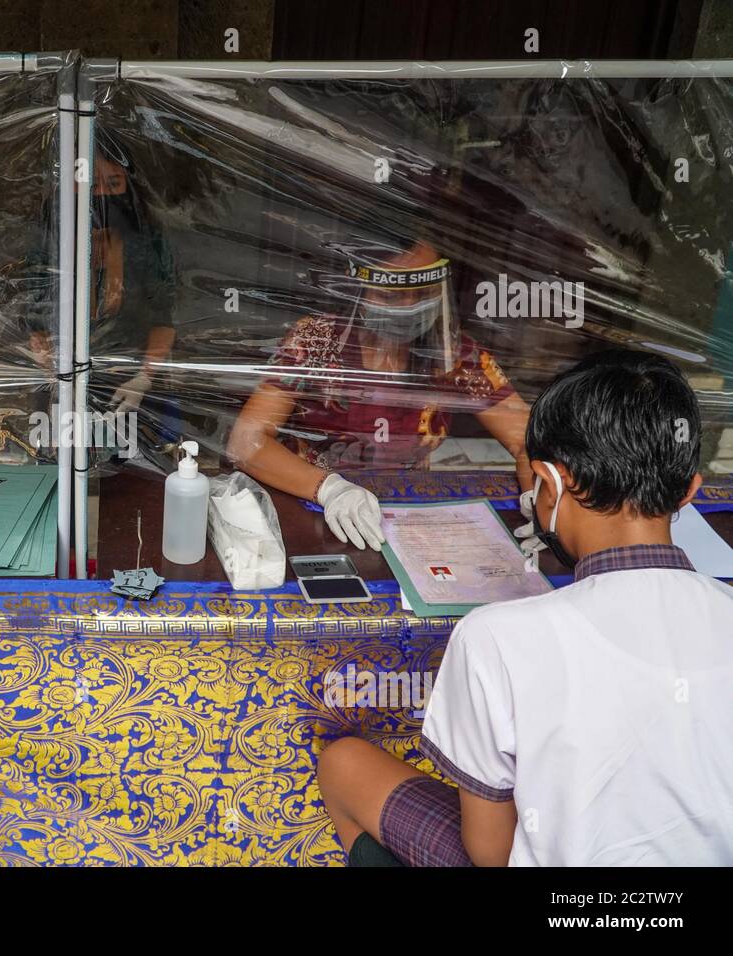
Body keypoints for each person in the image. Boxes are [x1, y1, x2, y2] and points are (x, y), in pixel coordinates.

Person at [317, 349, 733, 866]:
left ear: (551, 484)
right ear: (690, 491)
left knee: (345, 764)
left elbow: (490, 853)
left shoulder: (496, 636)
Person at [227, 237, 533, 551]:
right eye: (391, 294)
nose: (410, 306)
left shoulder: (453, 354)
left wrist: (546, 499)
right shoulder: (316, 340)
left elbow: (530, 440)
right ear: (358, 290)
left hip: (404, 515)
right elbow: (246, 442)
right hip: (309, 499)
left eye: (422, 293)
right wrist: (330, 489)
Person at [26, 141, 177, 417]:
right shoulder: (49, 246)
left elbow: (163, 320)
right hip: (61, 389)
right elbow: (35, 321)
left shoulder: (148, 245)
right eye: (92, 185)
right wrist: (55, 378)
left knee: (134, 459)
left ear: (128, 186)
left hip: (133, 391)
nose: (103, 195)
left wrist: (143, 379)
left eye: (114, 182)